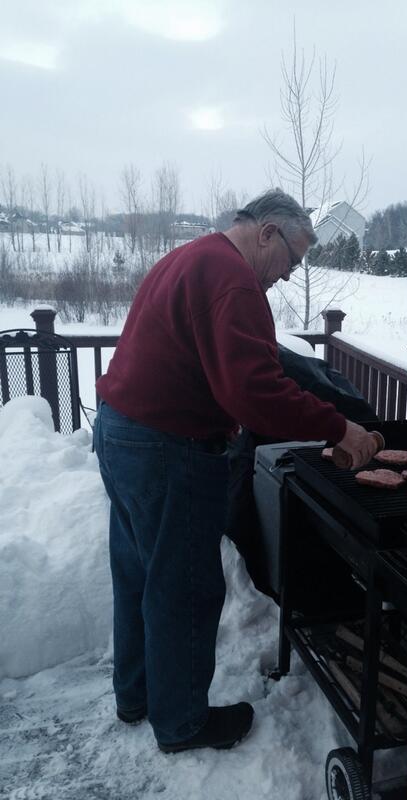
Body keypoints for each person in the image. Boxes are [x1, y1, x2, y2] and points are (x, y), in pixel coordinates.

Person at [93, 189, 379, 754]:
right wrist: (338, 427)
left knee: (139, 576)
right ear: (267, 233)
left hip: (122, 433)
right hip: (168, 449)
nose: (287, 276)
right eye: (291, 260)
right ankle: (181, 724)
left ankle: (137, 695)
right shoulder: (234, 280)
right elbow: (252, 391)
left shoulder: (193, 256)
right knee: (184, 588)